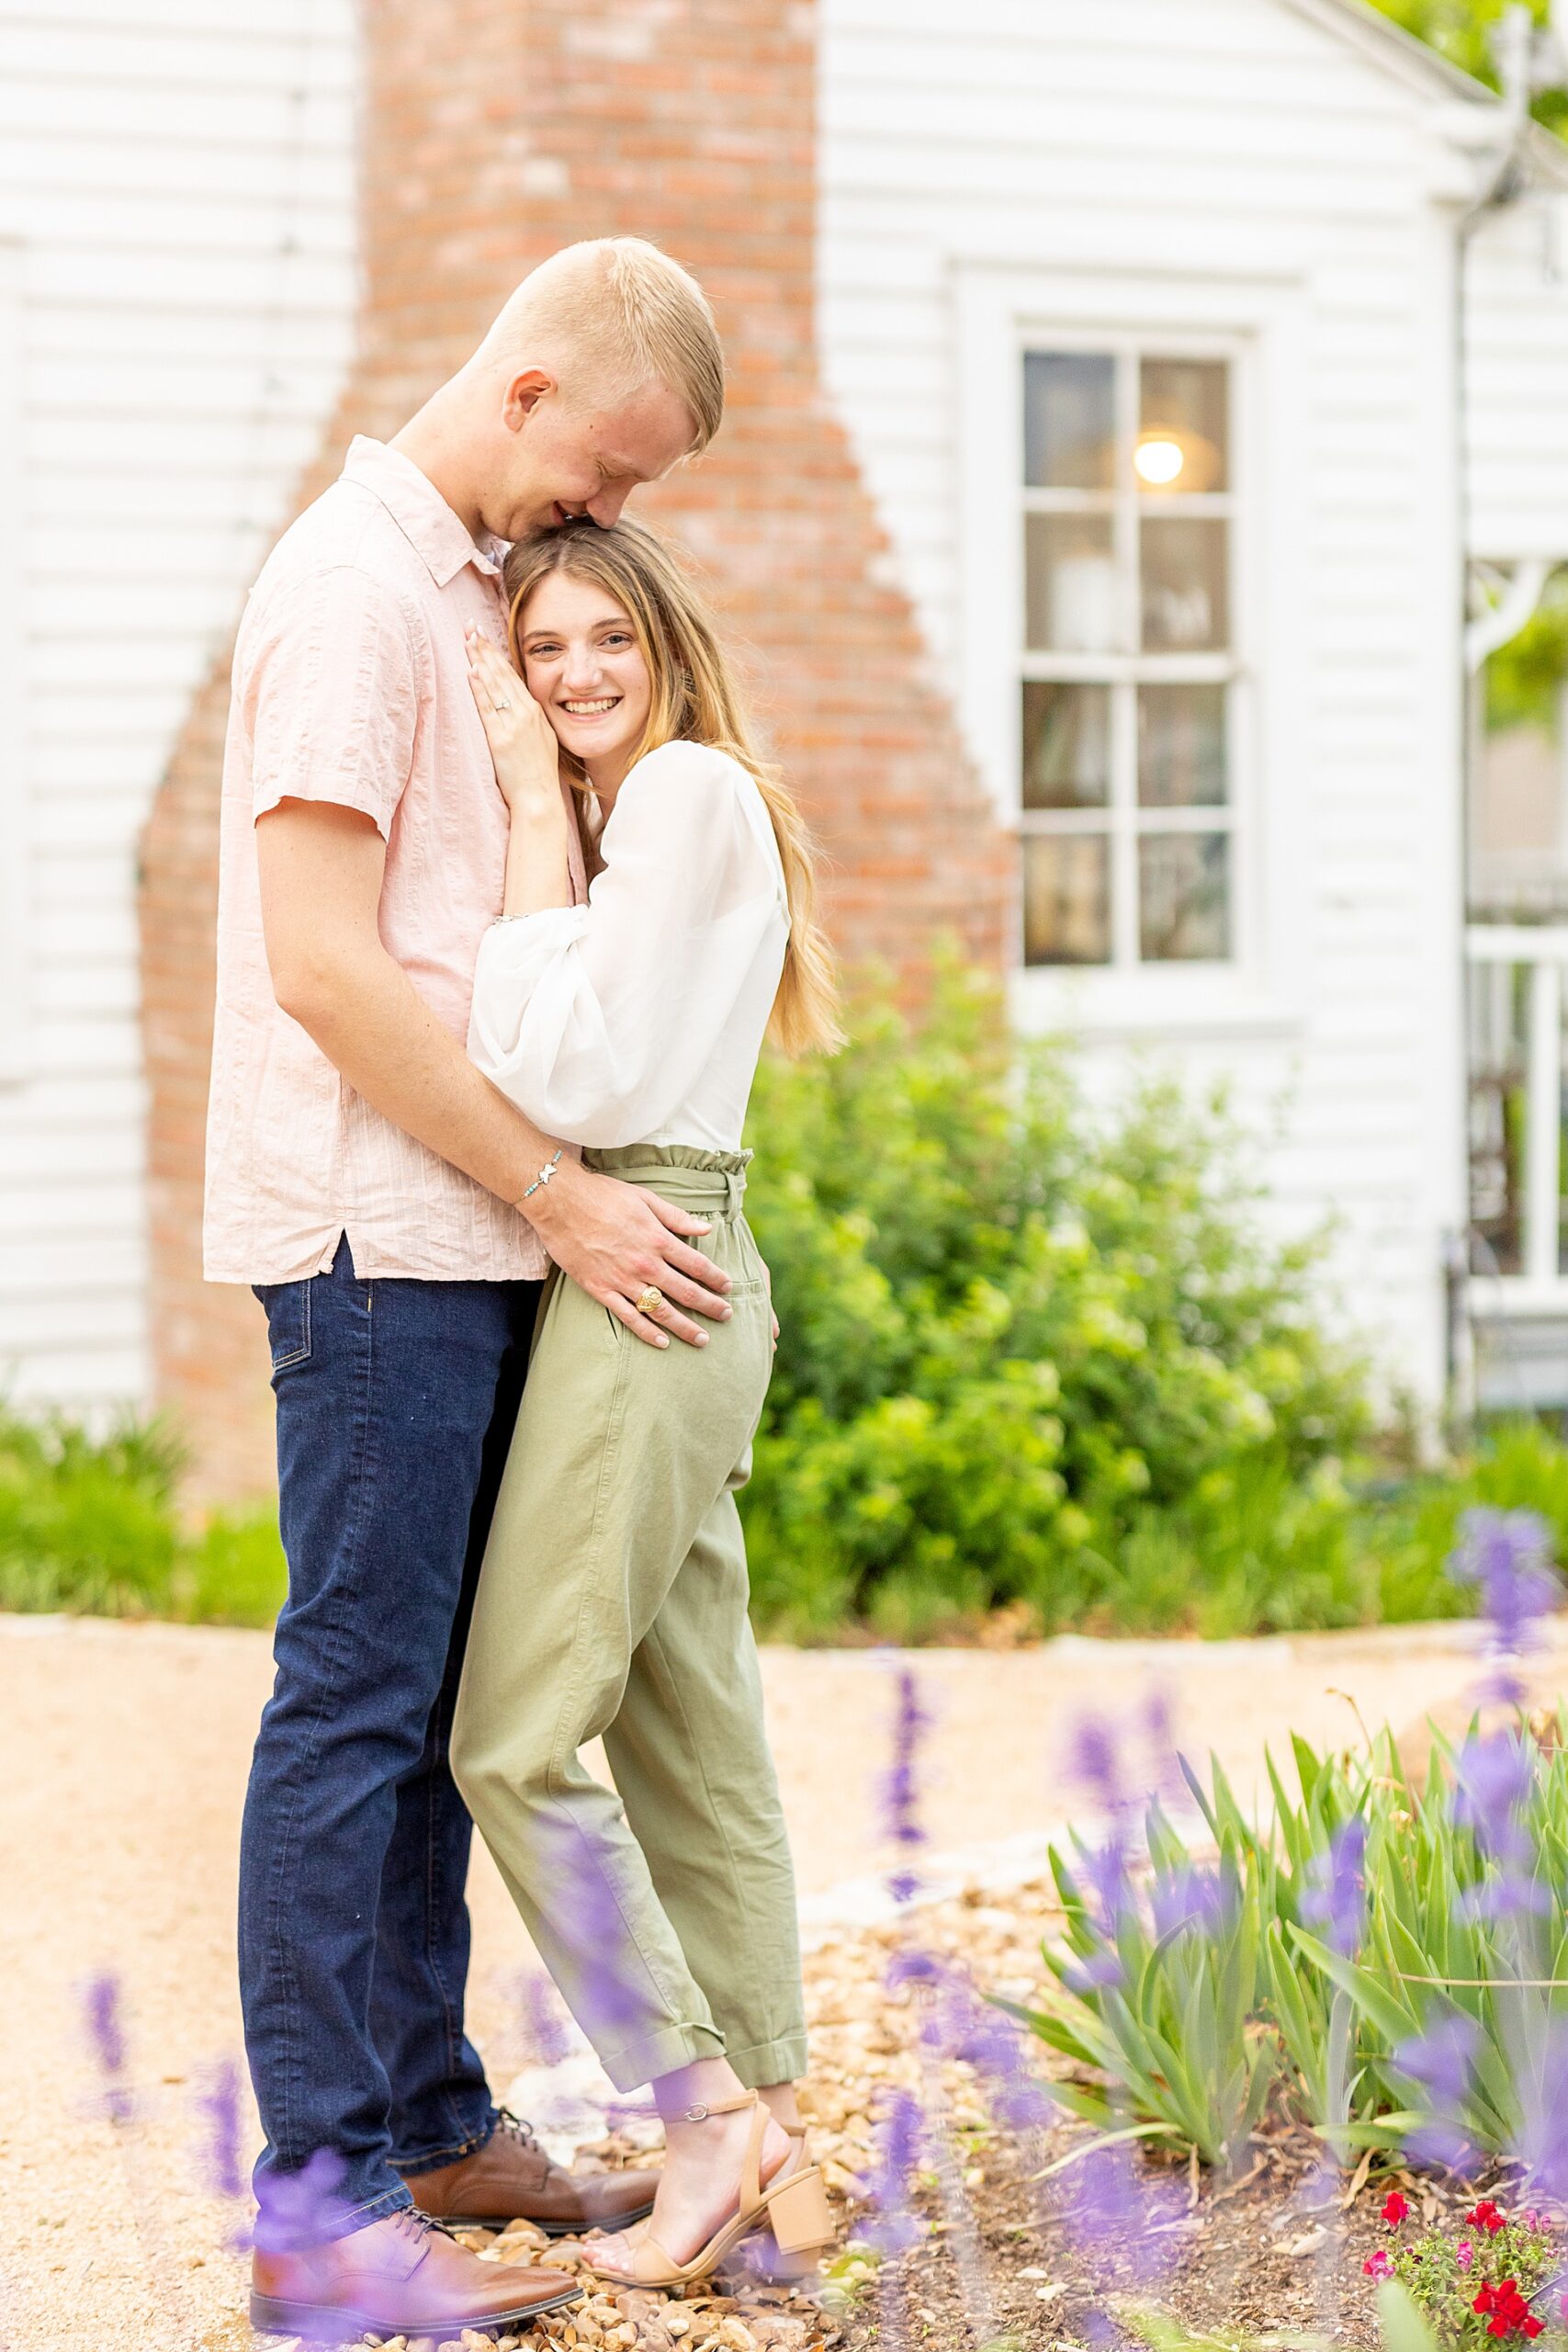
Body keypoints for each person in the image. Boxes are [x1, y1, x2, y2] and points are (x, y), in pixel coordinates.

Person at [204, 238, 735, 2345]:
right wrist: (561, 1193)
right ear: (522, 389)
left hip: (472, 1229)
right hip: (376, 1235)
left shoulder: (458, 592)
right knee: (352, 1705)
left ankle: (428, 2120)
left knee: (427, 1704)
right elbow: (325, 964)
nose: (597, 521)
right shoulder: (352, 595)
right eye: (595, 470)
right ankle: (321, 2201)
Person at [449, 512, 842, 2290]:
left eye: (605, 637)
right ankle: (774, 2110)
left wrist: (531, 809)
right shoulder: (686, 808)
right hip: (680, 1256)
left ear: (666, 636)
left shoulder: (675, 795)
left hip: (644, 1255)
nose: (576, 676)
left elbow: (561, 1064)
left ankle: (701, 2114)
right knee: (688, 1715)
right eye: (543, 653)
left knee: (511, 1735)